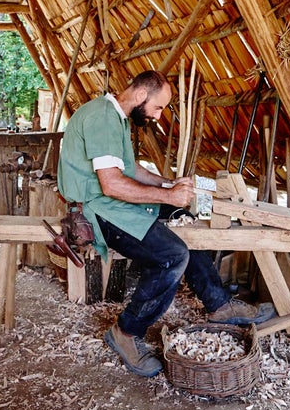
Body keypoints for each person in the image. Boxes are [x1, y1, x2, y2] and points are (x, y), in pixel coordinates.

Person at [57, 70, 276, 378]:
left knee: (180, 217)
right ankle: (126, 332)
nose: (158, 116)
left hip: (111, 202)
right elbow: (112, 185)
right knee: (172, 256)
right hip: (96, 211)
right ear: (140, 96)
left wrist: (168, 186)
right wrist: (168, 195)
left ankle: (219, 303)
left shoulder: (116, 117)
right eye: (158, 107)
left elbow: (131, 172)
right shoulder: (102, 117)